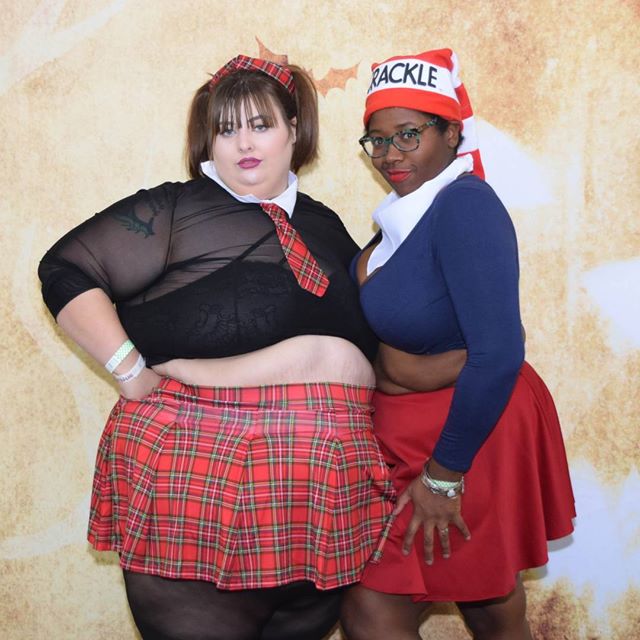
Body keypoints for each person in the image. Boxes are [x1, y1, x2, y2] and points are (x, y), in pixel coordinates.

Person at [38, 54, 396, 640]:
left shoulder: (325, 225)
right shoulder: (178, 210)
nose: (243, 143)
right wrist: (129, 370)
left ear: (294, 130)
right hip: (200, 481)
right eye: (225, 129)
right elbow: (65, 270)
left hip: (323, 502)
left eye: (261, 124)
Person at [340, 49, 576, 640]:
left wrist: (444, 476)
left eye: (409, 134)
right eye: (377, 140)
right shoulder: (400, 219)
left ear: (450, 133)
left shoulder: (464, 204)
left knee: (396, 607)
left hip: (466, 436)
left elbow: (497, 353)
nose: (391, 154)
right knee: (485, 603)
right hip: (409, 437)